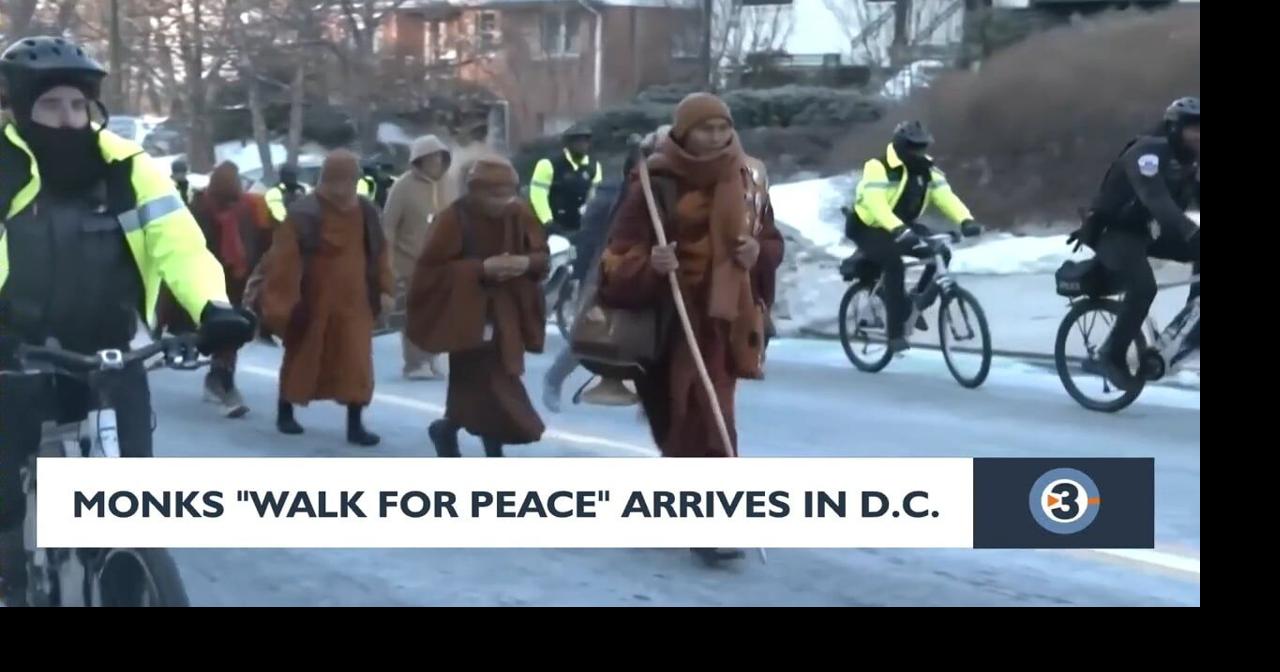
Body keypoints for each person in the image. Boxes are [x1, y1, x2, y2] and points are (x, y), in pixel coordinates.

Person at [0, 36, 253, 603]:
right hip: (17, 353)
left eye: (77, 105)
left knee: (129, 495)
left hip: (111, 352)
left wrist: (212, 308)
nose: (68, 120)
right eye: (51, 106)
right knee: (7, 496)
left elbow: (180, 247)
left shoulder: (127, 167)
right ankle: (13, 579)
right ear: (18, 109)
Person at [596, 93, 784, 565]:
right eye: (706, 129)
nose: (717, 138)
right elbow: (618, 251)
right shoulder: (654, 180)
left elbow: (770, 237)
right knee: (671, 417)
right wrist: (651, 263)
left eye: (724, 128)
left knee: (711, 414)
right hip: (666, 318)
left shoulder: (749, 176)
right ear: (683, 132)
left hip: (723, 318)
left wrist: (756, 255)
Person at [407, 157, 549, 458]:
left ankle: (447, 429)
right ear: (474, 192)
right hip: (468, 316)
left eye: (507, 194)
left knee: (485, 385)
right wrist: (481, 269)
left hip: (506, 314)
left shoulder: (518, 213)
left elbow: (541, 257)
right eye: (493, 195)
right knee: (488, 386)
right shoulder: (453, 219)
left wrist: (524, 262)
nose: (502, 202)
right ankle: (490, 452)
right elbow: (430, 271)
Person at [259, 150, 394, 446]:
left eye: (349, 180)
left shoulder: (366, 211)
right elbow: (284, 260)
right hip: (313, 299)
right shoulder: (305, 212)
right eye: (337, 181)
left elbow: (379, 252)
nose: (342, 188)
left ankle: (355, 425)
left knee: (356, 362)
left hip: (355, 301)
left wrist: (385, 288)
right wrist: (283, 305)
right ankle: (286, 411)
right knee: (302, 356)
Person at [1079, 96, 1200, 391]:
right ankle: (1111, 353)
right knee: (1144, 287)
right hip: (1114, 232)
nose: (1199, 135)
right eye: (1193, 129)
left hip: (1148, 232)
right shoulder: (1148, 152)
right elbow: (1156, 200)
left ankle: (1192, 319)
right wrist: (1191, 231)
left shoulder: (1189, 162)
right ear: (1174, 128)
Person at [541, 131, 664, 412]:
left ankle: (653, 403)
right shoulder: (616, 194)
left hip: (651, 271)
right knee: (591, 333)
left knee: (656, 334)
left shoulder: (667, 194)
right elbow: (590, 236)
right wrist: (586, 275)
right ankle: (554, 379)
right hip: (608, 271)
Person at [846, 120, 982, 353]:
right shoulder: (878, 167)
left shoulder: (928, 171)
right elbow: (876, 204)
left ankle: (915, 303)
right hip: (866, 226)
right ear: (901, 146)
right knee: (893, 264)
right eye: (913, 147)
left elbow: (946, 198)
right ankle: (895, 333)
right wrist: (898, 229)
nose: (919, 151)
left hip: (903, 226)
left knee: (940, 252)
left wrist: (965, 220)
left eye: (922, 147)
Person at [187, 161, 272, 417]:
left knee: (231, 335)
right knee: (222, 335)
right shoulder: (200, 209)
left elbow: (264, 239)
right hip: (208, 284)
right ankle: (222, 384)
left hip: (236, 283)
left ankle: (220, 381)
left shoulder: (248, 208)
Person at [381, 134, 452, 380]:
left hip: (440, 264)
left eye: (440, 158)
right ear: (419, 161)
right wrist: (388, 263)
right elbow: (388, 226)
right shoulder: (402, 187)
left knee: (436, 315)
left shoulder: (446, 186)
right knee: (412, 315)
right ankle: (413, 363)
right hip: (409, 262)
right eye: (431, 159)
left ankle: (431, 357)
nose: (436, 163)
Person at [529, 125, 603, 238]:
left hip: (582, 227)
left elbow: (594, 196)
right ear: (568, 144)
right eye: (578, 142)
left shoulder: (594, 166)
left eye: (585, 141)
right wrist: (548, 222)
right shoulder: (548, 164)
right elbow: (538, 196)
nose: (582, 145)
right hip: (555, 227)